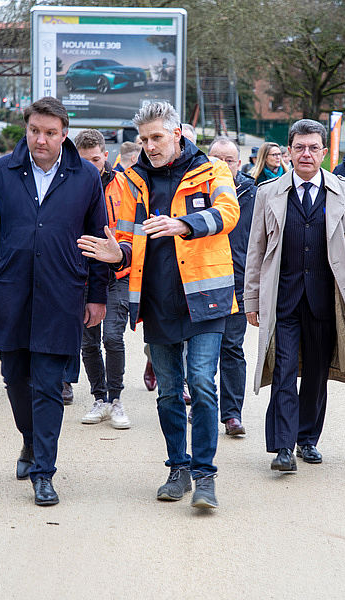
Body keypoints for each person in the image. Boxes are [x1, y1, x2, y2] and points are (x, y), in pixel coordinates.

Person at [78, 101, 239, 509]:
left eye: (157, 137)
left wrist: (182, 224)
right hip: (157, 301)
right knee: (168, 391)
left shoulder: (212, 170)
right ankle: (178, 469)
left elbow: (228, 212)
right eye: (144, 139)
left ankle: (205, 475)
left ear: (177, 134)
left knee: (201, 383)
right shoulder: (133, 181)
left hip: (205, 298)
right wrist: (117, 255)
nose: (149, 146)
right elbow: (127, 240)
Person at [0, 97, 108, 507]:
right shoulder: (3, 171)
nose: (40, 140)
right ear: (26, 129)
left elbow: (99, 241)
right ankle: (29, 440)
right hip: (10, 294)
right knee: (14, 377)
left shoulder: (85, 177)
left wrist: (97, 296)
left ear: (64, 134)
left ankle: (44, 472)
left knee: (48, 385)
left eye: (49, 133)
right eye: (34, 131)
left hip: (61, 296)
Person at [244, 119, 345, 472]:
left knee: (317, 373)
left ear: (324, 152)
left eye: (313, 148)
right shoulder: (268, 193)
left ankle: (307, 439)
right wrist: (251, 299)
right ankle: (283, 447)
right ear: (288, 151)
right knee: (284, 370)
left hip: (325, 301)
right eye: (299, 147)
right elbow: (256, 250)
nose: (306, 154)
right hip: (283, 300)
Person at [73, 129, 132, 429]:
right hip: (83, 275)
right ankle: (100, 397)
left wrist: (120, 253)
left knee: (112, 337)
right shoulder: (70, 185)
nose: (91, 166)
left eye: (96, 160)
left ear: (106, 156)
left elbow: (133, 229)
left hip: (118, 273)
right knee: (89, 340)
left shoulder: (125, 186)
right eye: (84, 160)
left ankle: (116, 398)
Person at [207, 136, 256, 437]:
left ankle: (232, 415)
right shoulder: (197, 190)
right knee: (202, 349)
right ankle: (202, 405)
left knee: (232, 348)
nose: (223, 165)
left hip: (238, 281)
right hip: (204, 281)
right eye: (217, 159)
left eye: (229, 160)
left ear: (239, 163)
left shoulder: (253, 194)